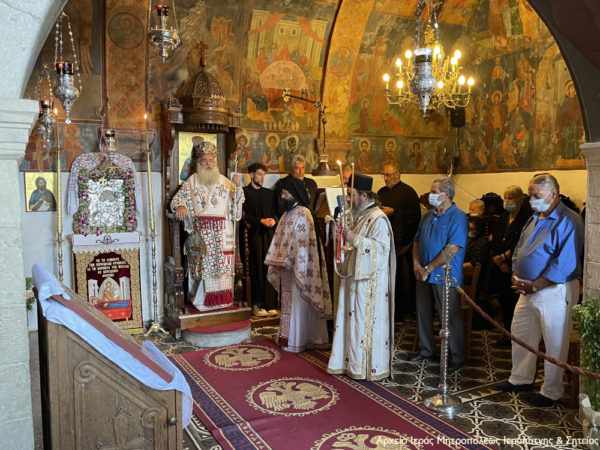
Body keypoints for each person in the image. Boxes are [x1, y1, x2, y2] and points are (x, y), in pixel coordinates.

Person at [494, 173, 584, 407]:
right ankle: (521, 379)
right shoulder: (534, 217)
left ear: (553, 193)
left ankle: (551, 391)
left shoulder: (569, 220)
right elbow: (520, 248)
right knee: (521, 333)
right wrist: (516, 272)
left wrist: (536, 284)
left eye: (537, 195)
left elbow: (565, 262)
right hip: (526, 289)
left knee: (555, 341)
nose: (532, 200)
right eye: (530, 195)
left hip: (553, 289)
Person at [328, 174, 395, 380]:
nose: (349, 199)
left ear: (364, 196)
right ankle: (350, 363)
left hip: (369, 285)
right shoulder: (361, 215)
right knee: (352, 322)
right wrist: (343, 238)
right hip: (355, 280)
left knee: (362, 323)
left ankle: (365, 367)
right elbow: (352, 245)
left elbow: (381, 250)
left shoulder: (378, 219)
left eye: (352, 195)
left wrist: (355, 239)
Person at [171, 141, 244, 311]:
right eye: (204, 161)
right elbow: (177, 199)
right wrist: (181, 206)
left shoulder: (225, 181)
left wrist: (238, 188)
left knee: (223, 268)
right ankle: (202, 301)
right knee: (203, 266)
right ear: (198, 162)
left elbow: (236, 207)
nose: (208, 164)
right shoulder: (192, 181)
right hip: (202, 232)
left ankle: (223, 300)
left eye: (211, 160)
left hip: (223, 231)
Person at [265, 176, 332, 353]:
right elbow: (280, 239)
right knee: (290, 303)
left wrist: (290, 259)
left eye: (285, 193)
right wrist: (280, 258)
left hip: (301, 268)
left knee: (300, 303)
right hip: (287, 267)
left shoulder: (304, 213)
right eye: (282, 193)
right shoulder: (287, 214)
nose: (283, 197)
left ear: (294, 193)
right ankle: (289, 337)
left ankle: (301, 339)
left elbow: (304, 244)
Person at [411, 177, 468, 370]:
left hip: (444, 275)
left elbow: (452, 249)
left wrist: (428, 268)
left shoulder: (458, 217)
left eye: (434, 192)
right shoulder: (428, 215)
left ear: (447, 194)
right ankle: (427, 350)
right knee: (423, 312)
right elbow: (416, 241)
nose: (430, 196)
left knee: (449, 316)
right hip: (422, 273)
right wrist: (417, 265)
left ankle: (455, 356)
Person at [377, 163, 421, 322]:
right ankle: (389, 309)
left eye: (388, 175)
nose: (385, 178)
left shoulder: (409, 192)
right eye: (383, 175)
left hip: (404, 242)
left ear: (397, 174)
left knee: (404, 278)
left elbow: (415, 216)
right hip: (385, 241)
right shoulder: (381, 193)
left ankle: (406, 311)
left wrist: (395, 212)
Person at [488, 185, 533, 340]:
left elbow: (523, 242)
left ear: (520, 199)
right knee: (503, 300)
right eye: (505, 198)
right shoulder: (503, 217)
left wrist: (505, 258)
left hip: (517, 266)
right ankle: (507, 332)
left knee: (515, 302)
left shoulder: (528, 218)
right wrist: (499, 260)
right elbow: (495, 238)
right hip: (500, 266)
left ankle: (518, 335)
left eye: (511, 198)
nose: (507, 201)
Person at [242, 163, 278, 317]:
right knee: (256, 270)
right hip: (253, 238)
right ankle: (256, 304)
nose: (262, 177)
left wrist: (273, 220)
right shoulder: (244, 192)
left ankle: (270, 304)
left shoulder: (269, 194)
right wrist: (260, 221)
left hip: (268, 237)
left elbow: (277, 212)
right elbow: (243, 216)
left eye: (264, 175)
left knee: (269, 269)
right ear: (251, 175)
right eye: (259, 174)